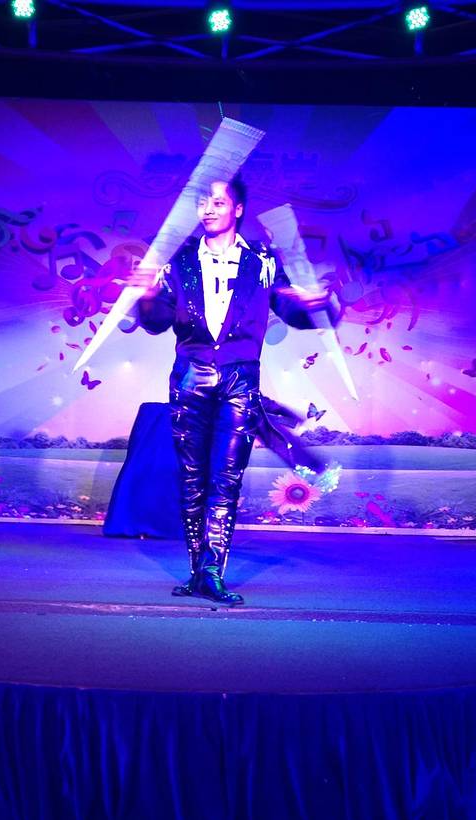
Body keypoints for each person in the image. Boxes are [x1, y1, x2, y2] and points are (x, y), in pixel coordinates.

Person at [135, 176, 332, 606]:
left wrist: (320, 305)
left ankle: (212, 571)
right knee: (192, 477)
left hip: (240, 379)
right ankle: (197, 570)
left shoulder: (262, 260)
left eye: (218, 202)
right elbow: (156, 321)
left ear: (237, 209)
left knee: (225, 478)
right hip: (190, 378)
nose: (208, 209)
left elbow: (291, 309)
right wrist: (147, 299)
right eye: (202, 202)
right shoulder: (180, 260)